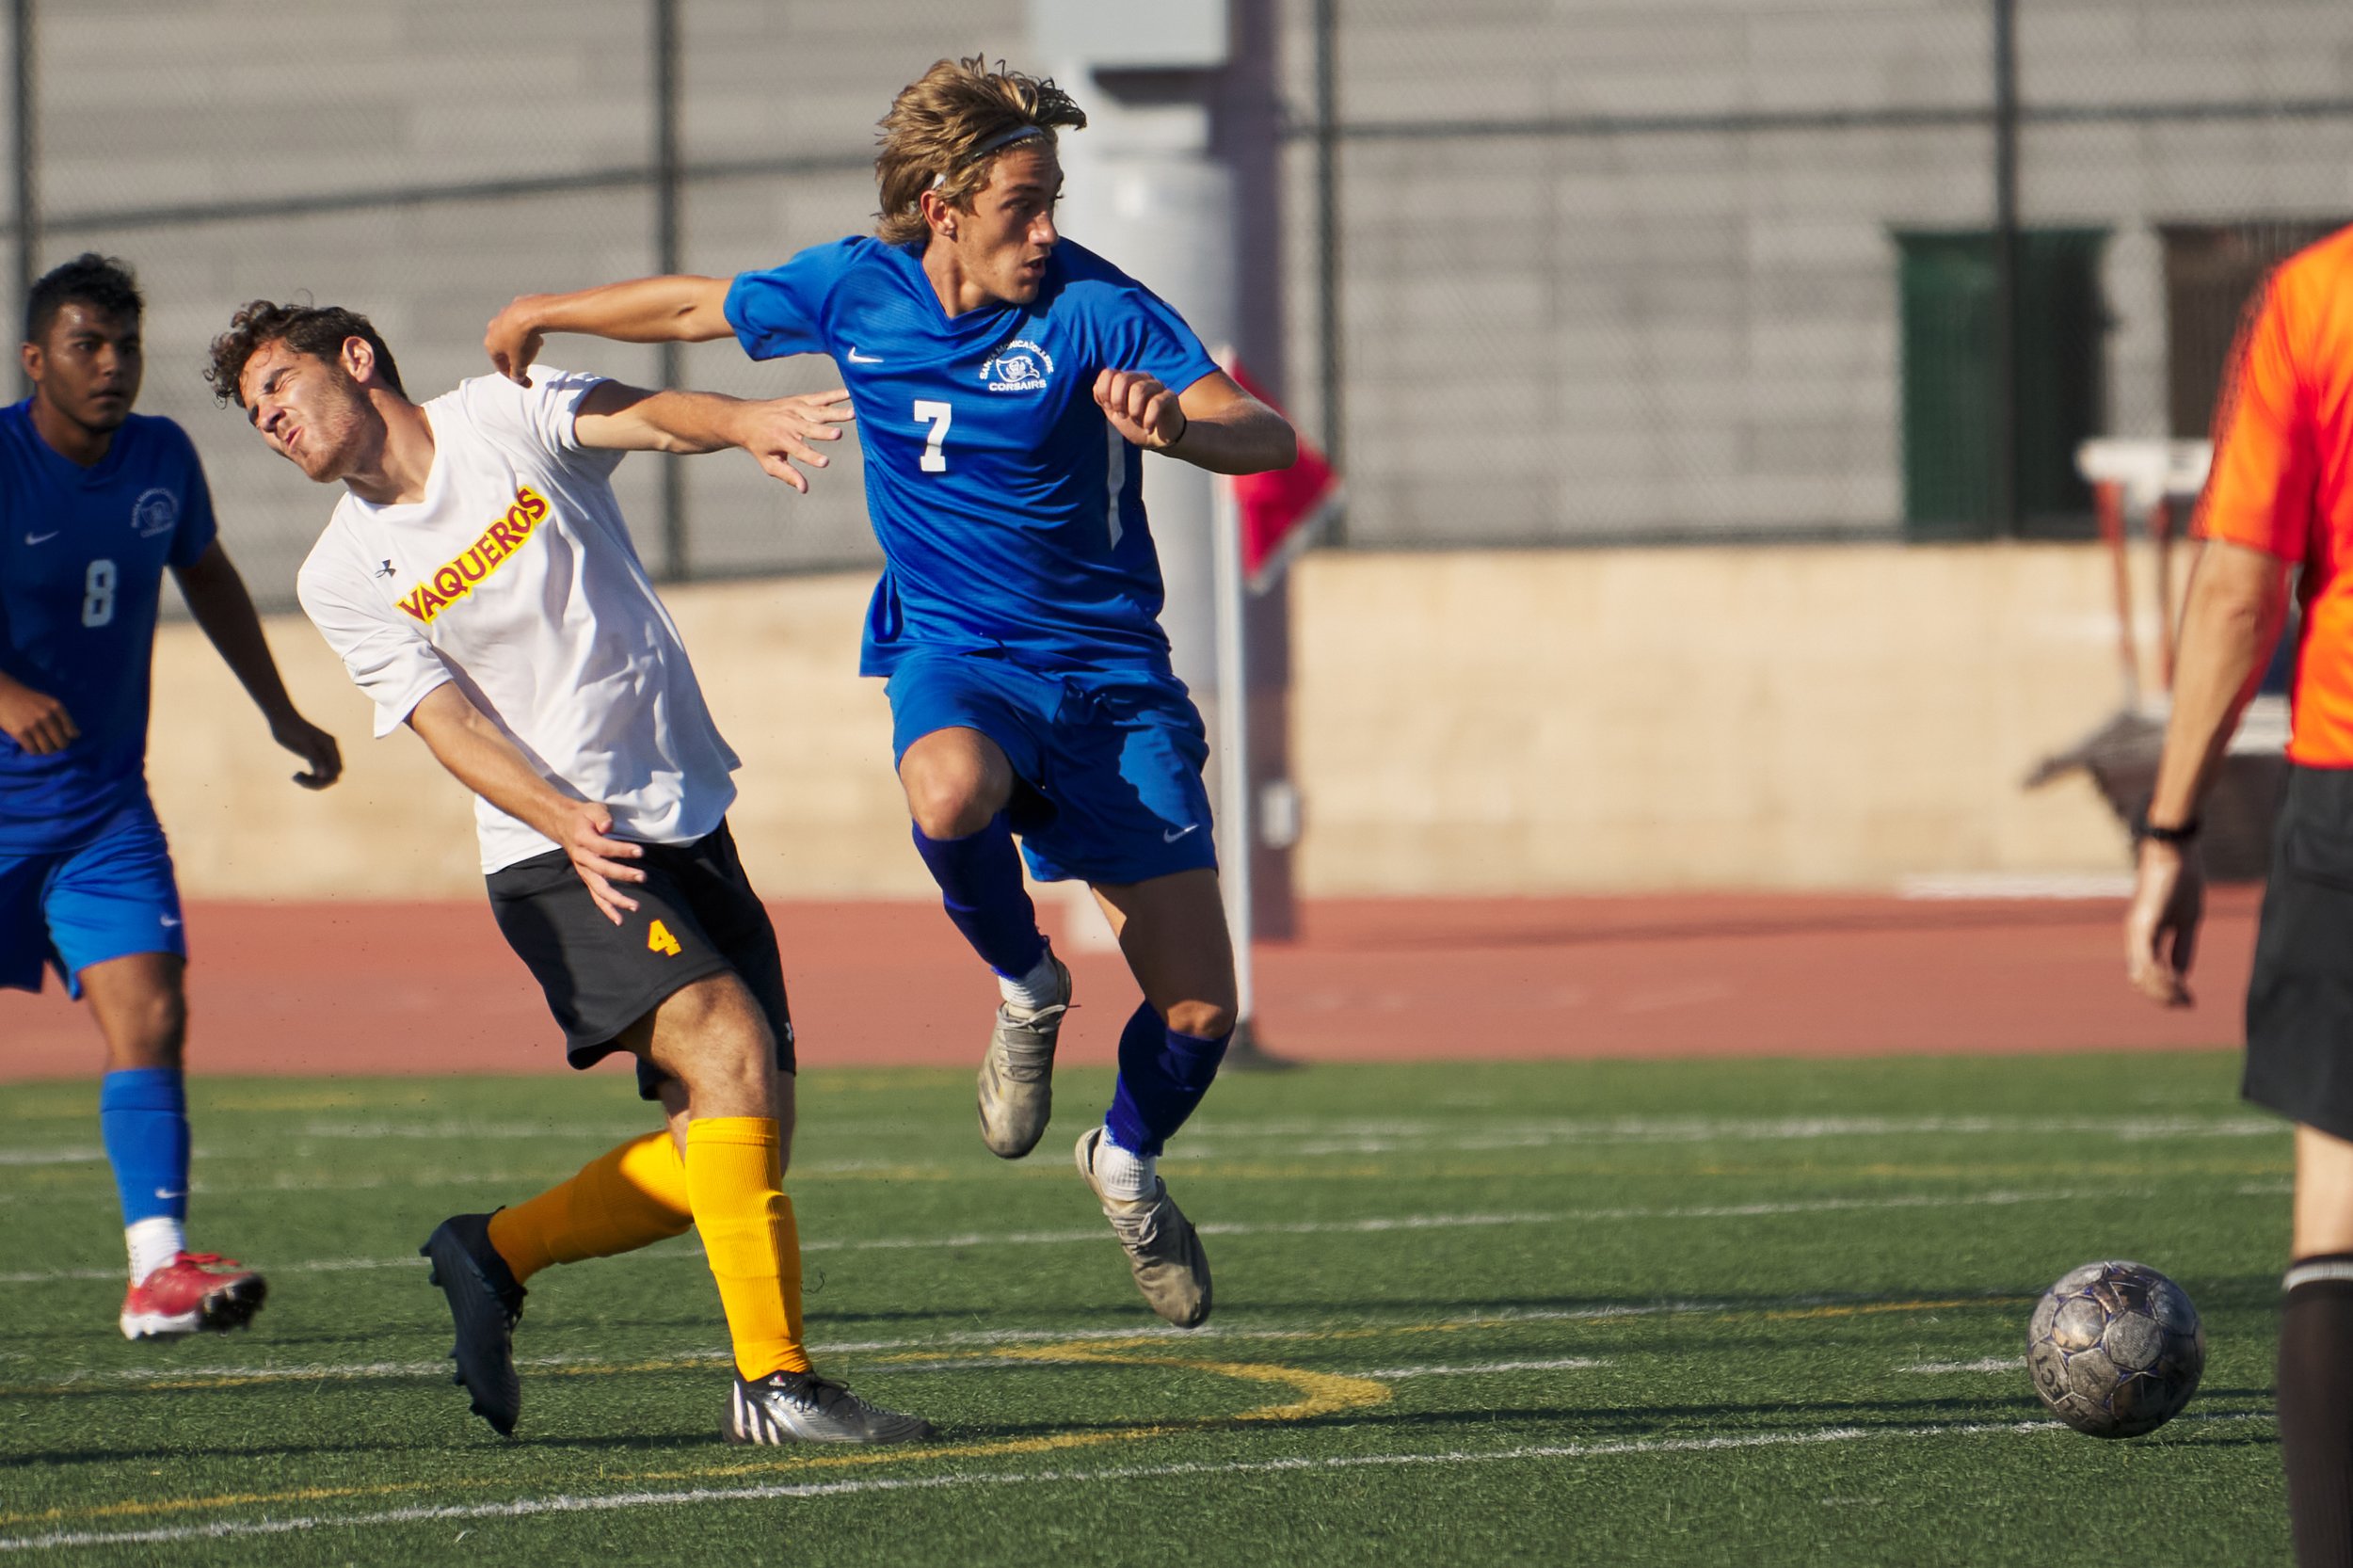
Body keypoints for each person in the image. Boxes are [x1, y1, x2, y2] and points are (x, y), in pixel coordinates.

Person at [482, 56, 1297, 1330]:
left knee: (1200, 1007)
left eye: (1054, 201)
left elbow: (1263, 431)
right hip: (958, 650)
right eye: (1023, 205)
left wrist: (1184, 430)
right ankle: (1027, 984)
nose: (1046, 230)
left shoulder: (1096, 307)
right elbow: (704, 305)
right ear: (943, 208)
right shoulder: (854, 291)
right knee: (948, 781)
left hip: (1108, 679)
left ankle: (1125, 1159)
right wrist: (547, 307)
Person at [206, 298, 932, 1445]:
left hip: (685, 815)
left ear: (356, 359)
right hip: (556, 853)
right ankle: (774, 1384)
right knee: (729, 1046)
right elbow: (445, 721)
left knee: (737, 1143)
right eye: (255, 414)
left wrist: (742, 421)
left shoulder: (499, 416)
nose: (271, 420)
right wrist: (560, 813)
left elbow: (637, 416)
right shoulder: (340, 571)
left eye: (280, 387)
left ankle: (493, 1250)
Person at [0, 254, 344, 1341]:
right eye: (84, 345)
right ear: (34, 359)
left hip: (101, 812)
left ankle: (156, 1273)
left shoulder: (163, 456)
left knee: (151, 1016)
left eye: (125, 346)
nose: (110, 366)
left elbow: (206, 577)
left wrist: (282, 712)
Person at [2124, 225, 2353, 1564]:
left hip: (2349, 778)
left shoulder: (2317, 296)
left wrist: (2171, 828)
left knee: (2338, 1203)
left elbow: (2234, 591)